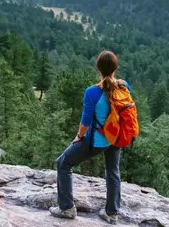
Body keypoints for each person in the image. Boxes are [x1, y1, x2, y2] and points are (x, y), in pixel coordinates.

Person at [49, 51, 132, 225]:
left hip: (96, 141)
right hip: (115, 139)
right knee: (113, 172)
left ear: (98, 68)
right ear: (116, 68)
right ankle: (111, 213)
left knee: (63, 163)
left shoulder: (92, 92)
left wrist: (78, 137)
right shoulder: (124, 86)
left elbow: (85, 122)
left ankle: (66, 209)